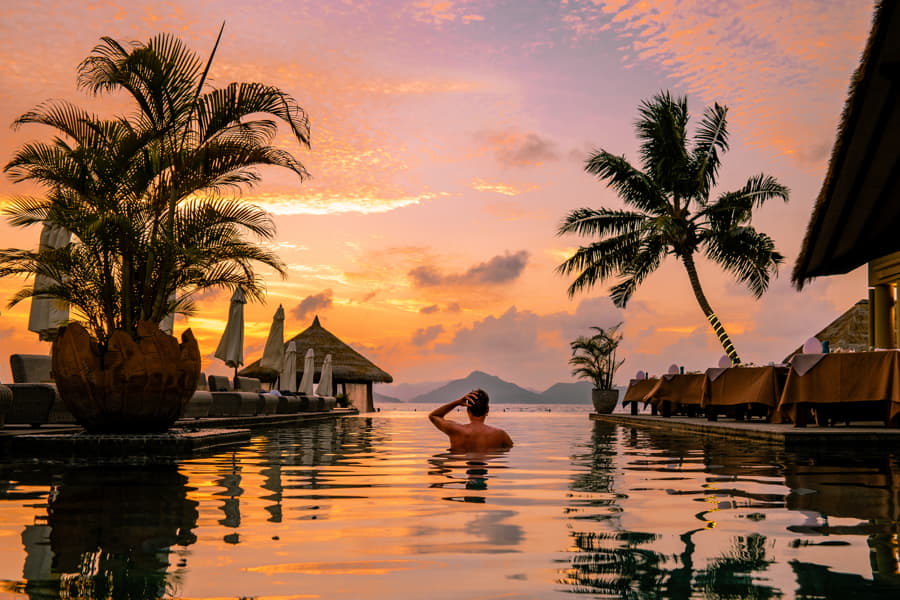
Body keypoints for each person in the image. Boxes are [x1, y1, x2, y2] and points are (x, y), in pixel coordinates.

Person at [428, 389, 513, 452]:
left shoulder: (455, 430)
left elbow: (433, 416)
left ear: (468, 410)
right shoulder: (501, 435)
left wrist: (457, 403)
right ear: (487, 410)